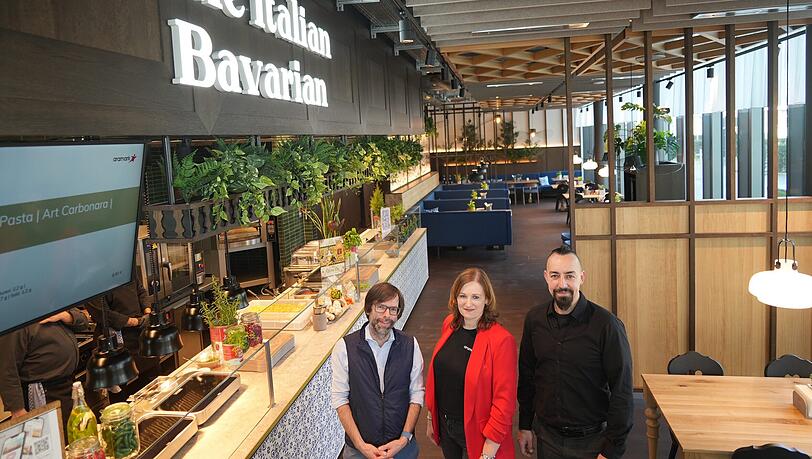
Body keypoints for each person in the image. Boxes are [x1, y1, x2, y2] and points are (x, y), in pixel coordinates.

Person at [517, 245, 633, 459]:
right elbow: (527, 376)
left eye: (570, 276)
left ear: (582, 277)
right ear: (546, 277)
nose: (562, 284)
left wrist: (612, 449)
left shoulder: (607, 326)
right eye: (555, 276)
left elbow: (622, 390)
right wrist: (525, 424)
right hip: (547, 438)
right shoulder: (534, 320)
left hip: (593, 442)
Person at [425, 267, 517, 459]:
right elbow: (442, 377)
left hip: (478, 435)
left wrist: (488, 453)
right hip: (446, 426)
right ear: (455, 298)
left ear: (487, 299)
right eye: (463, 296)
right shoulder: (450, 324)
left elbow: (504, 403)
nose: (468, 303)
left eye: (475, 297)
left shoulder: (501, 341)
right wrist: (431, 417)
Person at [331, 282, 424, 459]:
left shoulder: (410, 345)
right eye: (381, 307)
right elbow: (340, 400)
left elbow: (416, 394)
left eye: (393, 309)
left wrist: (404, 439)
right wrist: (361, 446)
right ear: (369, 309)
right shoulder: (345, 348)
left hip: (402, 447)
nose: (387, 315)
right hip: (359, 450)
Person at [0, 308, 89, 435]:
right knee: (54, 436)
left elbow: (83, 322)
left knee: (77, 434)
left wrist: (64, 315)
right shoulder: (14, 319)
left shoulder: (51, 303)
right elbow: (6, 369)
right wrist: (17, 410)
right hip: (43, 391)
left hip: (68, 384)